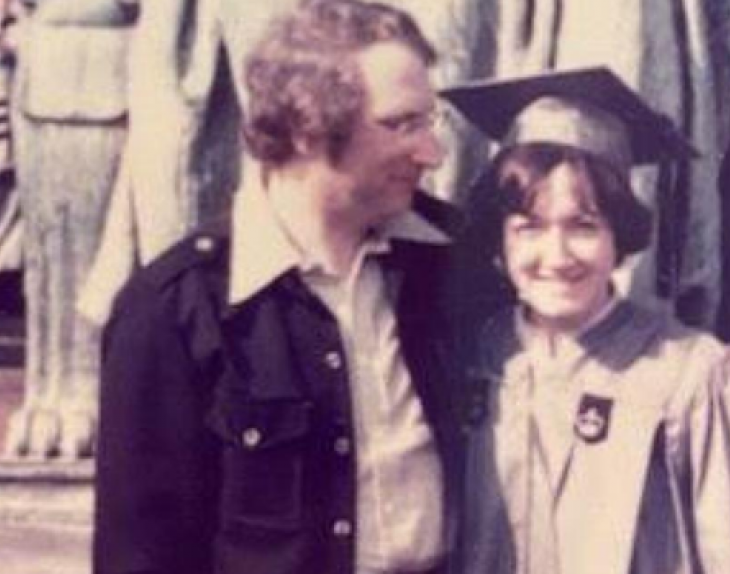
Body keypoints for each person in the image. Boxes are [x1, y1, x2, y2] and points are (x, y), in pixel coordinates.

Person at [93, 2, 462, 574]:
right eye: (402, 124)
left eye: (428, 122)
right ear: (308, 126)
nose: (431, 153)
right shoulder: (170, 312)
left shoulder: (453, 262)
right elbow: (141, 556)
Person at [441, 67, 730, 574]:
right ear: (499, 243)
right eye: (528, 227)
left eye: (583, 226)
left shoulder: (690, 374)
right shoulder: (474, 357)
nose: (555, 255)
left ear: (619, 237)